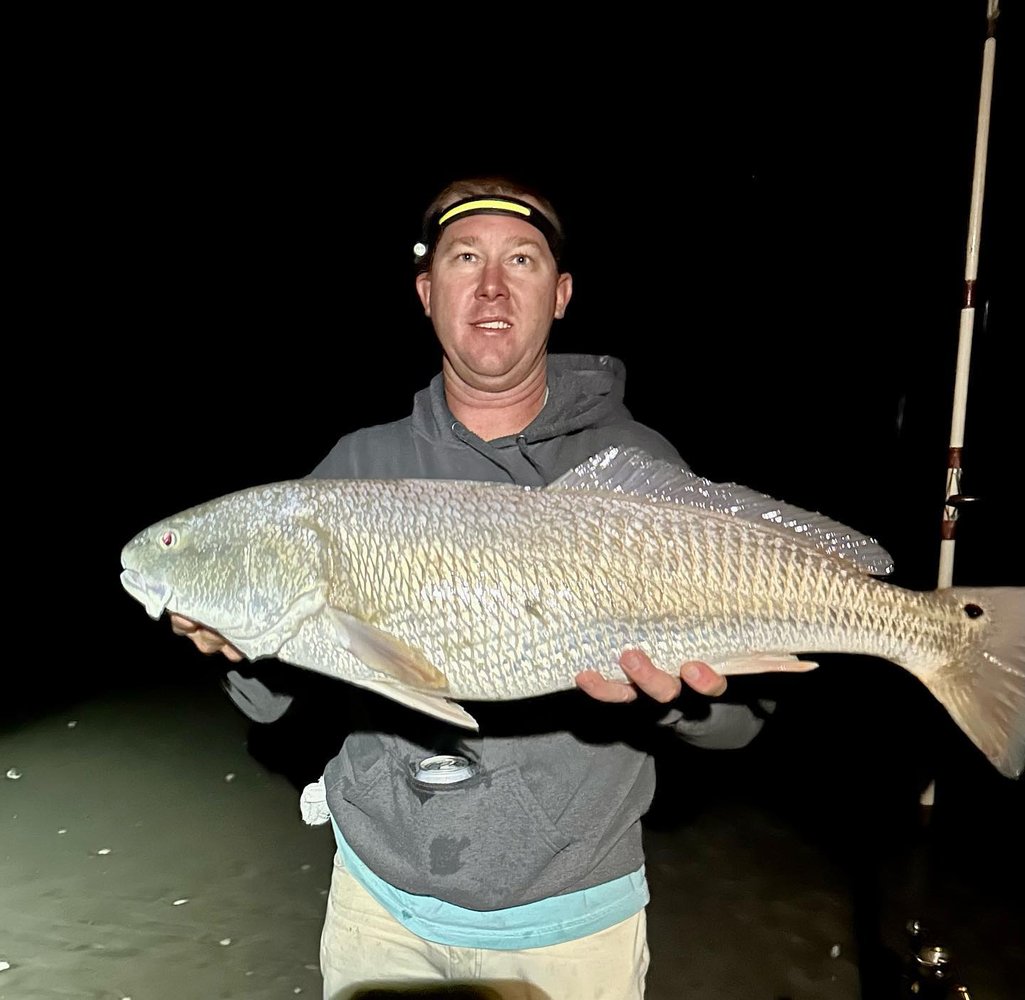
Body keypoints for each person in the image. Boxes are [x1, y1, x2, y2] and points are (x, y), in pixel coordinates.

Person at [171, 176, 770, 1000]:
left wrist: (667, 696)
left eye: (519, 260)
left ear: (559, 295)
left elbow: (738, 726)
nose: (490, 286)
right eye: (464, 259)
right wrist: (239, 645)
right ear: (427, 292)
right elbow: (277, 706)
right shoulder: (356, 471)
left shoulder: (635, 475)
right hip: (378, 914)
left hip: (571, 933)